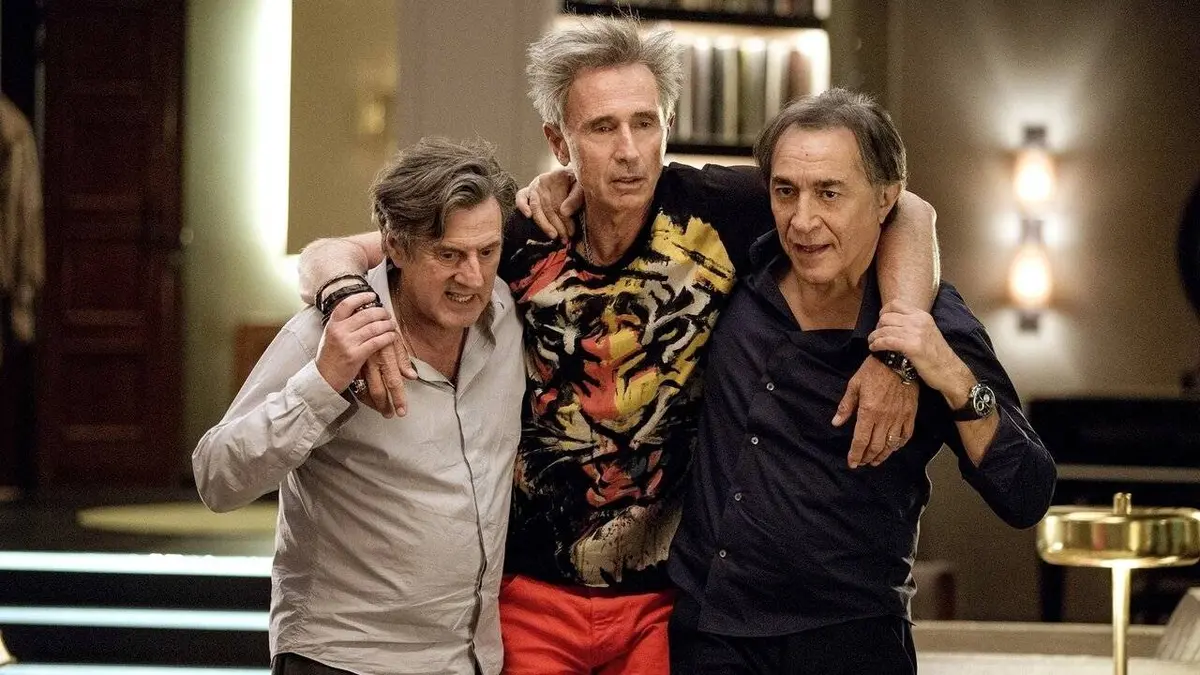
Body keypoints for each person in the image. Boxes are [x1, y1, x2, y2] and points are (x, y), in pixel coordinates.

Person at [297, 17, 939, 674]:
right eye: (602, 128)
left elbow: (907, 210)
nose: (630, 150)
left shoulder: (719, 207)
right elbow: (332, 252)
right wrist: (351, 302)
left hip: (663, 600)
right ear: (559, 140)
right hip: (531, 592)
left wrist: (899, 352)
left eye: (645, 122)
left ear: (667, 125)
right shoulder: (519, 233)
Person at [666, 89, 1058, 674]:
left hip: (852, 641)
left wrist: (950, 376)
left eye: (830, 193)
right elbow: (636, 188)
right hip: (713, 632)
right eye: (786, 191)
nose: (803, 220)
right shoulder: (737, 263)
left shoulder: (935, 325)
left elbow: (1027, 493)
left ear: (884, 199)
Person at [192, 137, 523, 675]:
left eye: (487, 252)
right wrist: (324, 383)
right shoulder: (324, 333)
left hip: (467, 659)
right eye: (448, 255)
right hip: (343, 657)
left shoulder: (508, 314)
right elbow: (217, 478)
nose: (473, 277)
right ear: (395, 246)